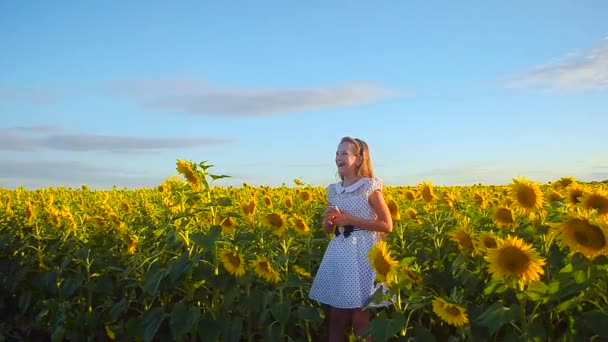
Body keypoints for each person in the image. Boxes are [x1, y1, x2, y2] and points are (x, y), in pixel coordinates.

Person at [308, 136, 393, 341]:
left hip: (362, 255)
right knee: (336, 315)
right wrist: (330, 221)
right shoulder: (333, 190)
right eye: (337, 153)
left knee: (359, 317)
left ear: (359, 159)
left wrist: (349, 219)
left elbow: (386, 225)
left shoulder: (369, 187)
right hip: (339, 254)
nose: (338, 157)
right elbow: (328, 230)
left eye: (344, 153)